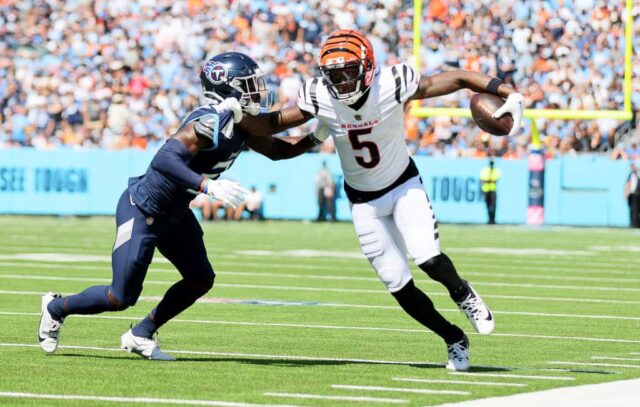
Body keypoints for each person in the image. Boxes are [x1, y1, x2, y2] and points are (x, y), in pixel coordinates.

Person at [239, 30, 524, 371]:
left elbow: (459, 78)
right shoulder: (319, 96)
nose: (341, 83)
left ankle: (462, 292)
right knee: (397, 284)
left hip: (403, 185)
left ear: (368, 67)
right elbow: (271, 126)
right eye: (333, 75)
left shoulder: (393, 83)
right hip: (363, 202)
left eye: (348, 73)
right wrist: (234, 116)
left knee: (427, 257)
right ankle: (453, 339)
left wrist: (506, 90)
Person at [38, 52, 322, 360]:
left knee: (200, 278)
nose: (257, 90)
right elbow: (164, 160)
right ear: (229, 88)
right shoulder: (208, 119)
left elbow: (277, 141)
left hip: (175, 214)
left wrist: (319, 126)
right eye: (249, 84)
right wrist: (208, 185)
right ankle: (55, 307)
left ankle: (141, 333)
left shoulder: (239, 123)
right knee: (120, 297)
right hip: (144, 208)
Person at [480, 159, 501, 224]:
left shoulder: (495, 170)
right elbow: (483, 180)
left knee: (493, 205)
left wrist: (488, 180)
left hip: (493, 190)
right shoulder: (485, 170)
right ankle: (489, 219)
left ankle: (493, 219)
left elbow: (495, 180)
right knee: (488, 205)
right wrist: (489, 180)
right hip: (486, 190)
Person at [624, 162, 640, 228]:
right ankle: (633, 224)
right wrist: (626, 192)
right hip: (632, 194)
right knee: (633, 209)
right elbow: (628, 184)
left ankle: (636, 224)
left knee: (636, 210)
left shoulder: (637, 174)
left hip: (637, 193)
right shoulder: (631, 174)